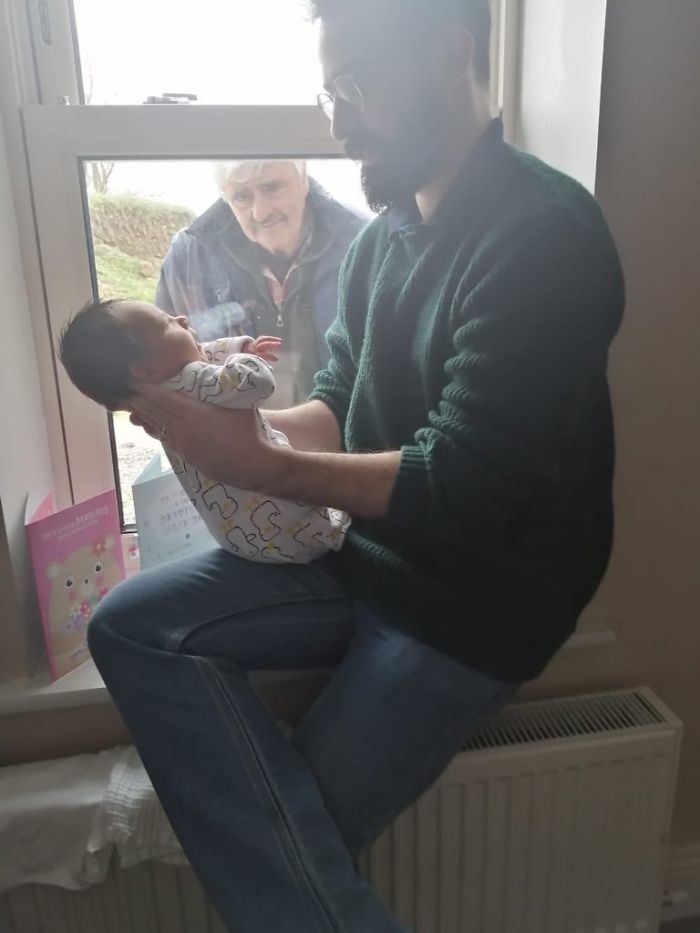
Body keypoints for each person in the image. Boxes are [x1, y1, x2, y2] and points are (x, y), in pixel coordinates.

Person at [88, 0, 625, 930]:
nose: (336, 121)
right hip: (357, 550)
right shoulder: (382, 242)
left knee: (291, 868)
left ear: (450, 58)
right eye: (328, 90)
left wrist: (263, 469)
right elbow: (335, 397)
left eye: (356, 85)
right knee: (127, 628)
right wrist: (233, 426)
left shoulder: (543, 236)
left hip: (467, 603)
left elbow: (460, 479)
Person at [58, 299, 350, 563]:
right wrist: (241, 356)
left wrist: (231, 348)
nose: (182, 319)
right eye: (167, 323)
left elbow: (197, 357)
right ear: (144, 370)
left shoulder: (158, 398)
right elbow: (258, 381)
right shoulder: (192, 381)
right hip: (297, 530)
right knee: (342, 517)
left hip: (242, 539)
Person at [156, 159, 367, 407]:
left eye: (272, 188)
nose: (261, 212)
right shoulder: (188, 257)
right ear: (226, 198)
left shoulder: (365, 242)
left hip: (343, 438)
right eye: (242, 196)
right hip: (231, 438)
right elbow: (162, 371)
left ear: (303, 179)